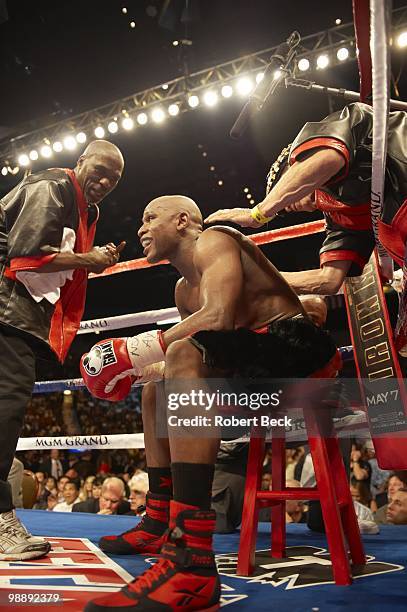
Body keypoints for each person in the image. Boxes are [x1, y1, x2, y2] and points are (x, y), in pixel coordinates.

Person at [80, 195, 338, 612]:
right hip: (257, 373)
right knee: (155, 389)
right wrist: (137, 370)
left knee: (178, 354)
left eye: (150, 218)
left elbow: (217, 317)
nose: (140, 229)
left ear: (182, 221)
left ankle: (191, 557)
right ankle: (160, 518)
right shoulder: (183, 290)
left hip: (303, 358)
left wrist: (142, 349)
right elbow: (215, 348)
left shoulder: (215, 239)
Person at [0, 139, 124, 560]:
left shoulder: (86, 209)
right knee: (7, 404)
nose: (106, 181)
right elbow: (23, 259)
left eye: (116, 178)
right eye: (101, 169)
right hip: (5, 311)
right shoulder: (52, 186)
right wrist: (90, 259)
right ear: (81, 162)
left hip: (17, 313)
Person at [205, 102, 407, 294]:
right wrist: (253, 279)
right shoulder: (339, 218)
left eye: (281, 188)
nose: (285, 207)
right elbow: (328, 280)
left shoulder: (349, 122)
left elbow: (328, 157)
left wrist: (258, 213)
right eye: (282, 208)